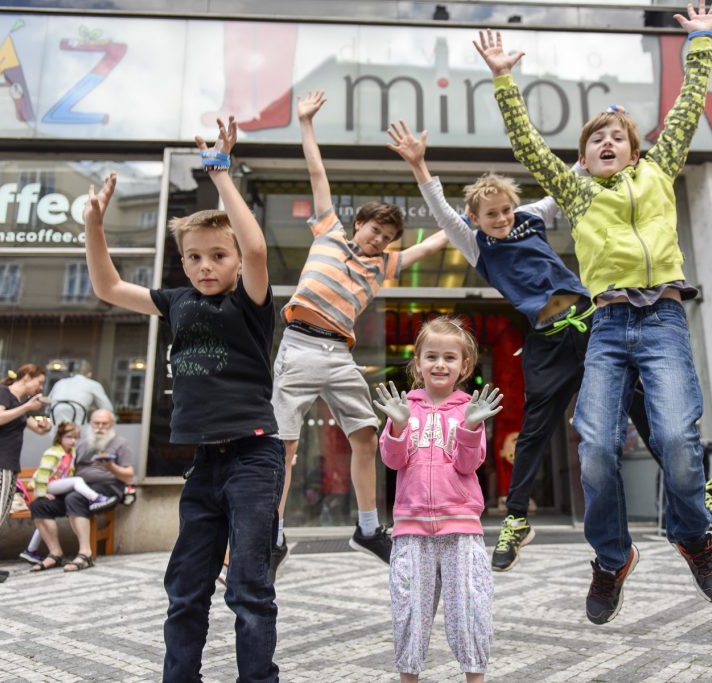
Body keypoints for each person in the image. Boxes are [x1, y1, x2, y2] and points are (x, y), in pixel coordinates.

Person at [474, 0, 712, 626]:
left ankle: (692, 538)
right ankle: (612, 557)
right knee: (594, 445)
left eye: (616, 136)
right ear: (583, 162)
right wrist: (505, 80)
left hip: (665, 318)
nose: (606, 142)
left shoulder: (659, 172)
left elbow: (688, 110)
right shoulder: (577, 192)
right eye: (595, 141)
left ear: (636, 151)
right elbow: (530, 148)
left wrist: (700, 42)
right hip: (610, 324)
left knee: (674, 437)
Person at [82, 116, 283, 682]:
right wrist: (95, 227)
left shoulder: (250, 302)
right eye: (194, 257)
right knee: (186, 588)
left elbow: (258, 245)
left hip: (254, 457)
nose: (205, 266)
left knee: (248, 588)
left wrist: (219, 171)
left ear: (236, 262)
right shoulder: (175, 302)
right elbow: (107, 287)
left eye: (218, 255)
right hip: (204, 466)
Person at [270, 91, 448, 575]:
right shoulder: (327, 232)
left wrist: (462, 219)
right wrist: (306, 123)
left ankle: (368, 528)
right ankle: (274, 534)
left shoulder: (383, 266)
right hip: (301, 345)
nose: (380, 242)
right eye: (375, 232)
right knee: (284, 446)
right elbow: (317, 174)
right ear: (359, 223)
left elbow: (434, 242)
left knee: (366, 436)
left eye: (388, 239)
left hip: (339, 355)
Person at [375, 316, 500, 682]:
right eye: (431, 356)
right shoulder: (405, 407)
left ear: (464, 366)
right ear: (418, 363)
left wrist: (471, 428)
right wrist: (397, 426)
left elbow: (468, 465)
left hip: (461, 527)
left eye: (449, 357)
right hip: (411, 529)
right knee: (409, 612)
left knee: (470, 610)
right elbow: (392, 460)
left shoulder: (468, 409)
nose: (440, 364)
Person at [0, 364, 52, 584]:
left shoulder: (19, 403)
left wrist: (46, 425)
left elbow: (37, 429)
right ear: (26, 376)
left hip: (10, 465)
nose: (40, 387)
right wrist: (27, 408)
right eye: (39, 382)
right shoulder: (2, 393)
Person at [28, 409, 133, 572]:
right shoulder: (82, 444)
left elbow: (128, 476)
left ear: (112, 424)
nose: (99, 427)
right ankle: (55, 553)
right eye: (96, 423)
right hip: (78, 488)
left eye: (104, 423)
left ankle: (85, 554)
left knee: (74, 498)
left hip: (107, 490)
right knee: (40, 505)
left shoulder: (120, 443)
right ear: (90, 424)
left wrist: (111, 467)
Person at [19, 420, 115, 565]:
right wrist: (41, 492)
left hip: (57, 487)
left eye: (76, 438)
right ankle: (96, 498)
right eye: (69, 437)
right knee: (76, 481)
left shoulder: (71, 453)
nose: (73, 441)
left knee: (43, 515)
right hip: (49, 485)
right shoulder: (53, 452)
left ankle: (30, 550)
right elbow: (43, 473)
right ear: (60, 438)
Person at [48, 360, 114, 426]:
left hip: (55, 425)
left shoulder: (60, 383)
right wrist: (93, 410)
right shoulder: (93, 384)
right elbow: (108, 409)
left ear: (72, 373)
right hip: (78, 427)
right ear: (89, 374)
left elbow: (48, 404)